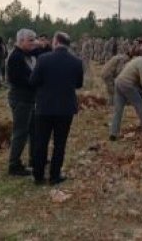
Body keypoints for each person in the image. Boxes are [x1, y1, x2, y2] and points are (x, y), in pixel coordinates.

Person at [29, 32, 84, 185]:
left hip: (44, 107)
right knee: (60, 143)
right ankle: (54, 175)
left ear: (56, 42)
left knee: (41, 142)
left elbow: (33, 81)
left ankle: (38, 176)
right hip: (65, 108)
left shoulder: (43, 59)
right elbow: (78, 84)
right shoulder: (77, 62)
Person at [6, 29, 41, 176]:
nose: (34, 43)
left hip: (29, 99)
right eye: (31, 40)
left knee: (33, 129)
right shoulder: (16, 57)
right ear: (21, 41)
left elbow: (40, 53)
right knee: (21, 132)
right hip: (21, 99)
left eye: (34, 39)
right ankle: (14, 165)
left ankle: (34, 159)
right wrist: (37, 81)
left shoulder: (26, 54)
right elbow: (20, 80)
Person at [109, 55, 142, 140]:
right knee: (140, 105)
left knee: (118, 110)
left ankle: (113, 133)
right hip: (127, 84)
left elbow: (130, 71)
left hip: (118, 82)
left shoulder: (139, 59)